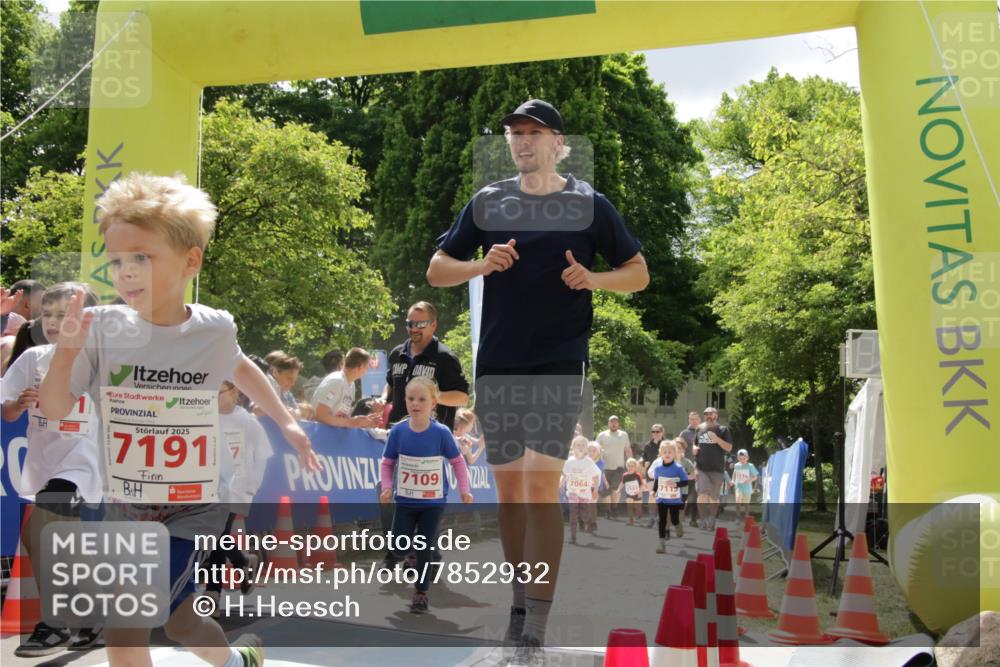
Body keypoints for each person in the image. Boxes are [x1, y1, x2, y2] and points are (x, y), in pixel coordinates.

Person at [38, 172, 320, 667]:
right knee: (180, 619)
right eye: (117, 262)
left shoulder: (213, 327)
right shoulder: (102, 328)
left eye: (141, 258)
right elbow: (57, 409)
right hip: (123, 507)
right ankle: (238, 661)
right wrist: (64, 354)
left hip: (193, 505)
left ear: (191, 260)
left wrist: (286, 421)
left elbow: (241, 367)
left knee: (126, 625)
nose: (125, 273)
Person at [427, 98, 648, 663]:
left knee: (539, 484)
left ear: (557, 142)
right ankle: (519, 606)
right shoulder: (489, 200)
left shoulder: (588, 203)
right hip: (499, 360)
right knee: (510, 491)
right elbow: (437, 269)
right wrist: (481, 264)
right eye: (514, 134)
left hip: (558, 358)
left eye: (533, 133)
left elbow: (638, 274)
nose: (522, 142)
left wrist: (592, 278)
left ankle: (535, 626)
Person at [2, 282, 103, 655]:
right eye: (49, 314)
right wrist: (18, 403)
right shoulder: (33, 359)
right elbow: (8, 408)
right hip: (45, 461)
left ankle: (55, 624)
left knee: (46, 528)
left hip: (84, 462)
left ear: (87, 319)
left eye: (66, 314)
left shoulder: (100, 358)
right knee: (43, 541)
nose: (55, 322)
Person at [379, 376, 473, 613]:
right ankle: (407, 553)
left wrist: (465, 489)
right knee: (398, 546)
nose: (415, 403)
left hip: (433, 502)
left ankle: (421, 593)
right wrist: (387, 487)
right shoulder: (398, 431)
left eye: (422, 399)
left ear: (433, 403)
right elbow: (387, 463)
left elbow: (458, 462)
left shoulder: (441, 433)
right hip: (405, 500)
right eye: (410, 398)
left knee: (425, 546)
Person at [202, 380, 273, 613]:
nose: (214, 398)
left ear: (234, 391)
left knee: (217, 535)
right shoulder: (204, 416)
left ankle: (212, 594)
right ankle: (243, 561)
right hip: (208, 487)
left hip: (236, 489)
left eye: (218, 393)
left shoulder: (247, 423)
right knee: (214, 536)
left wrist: (251, 485)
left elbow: (262, 456)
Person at [383, 301, 469, 431]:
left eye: (420, 324)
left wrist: (433, 397)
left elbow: (462, 398)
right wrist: (383, 399)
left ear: (433, 325)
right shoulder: (397, 354)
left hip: (432, 437)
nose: (414, 329)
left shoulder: (445, 357)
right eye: (410, 324)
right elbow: (391, 383)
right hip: (397, 433)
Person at [312, 347, 382, 429]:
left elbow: (341, 417)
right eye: (367, 367)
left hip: (333, 434)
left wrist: (363, 421)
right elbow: (320, 415)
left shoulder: (351, 384)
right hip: (320, 434)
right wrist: (351, 422)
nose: (367, 371)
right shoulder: (336, 381)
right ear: (360, 366)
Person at [695, 406, 734, 531]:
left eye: (711, 414)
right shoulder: (699, 429)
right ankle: (702, 520)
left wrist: (716, 439)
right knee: (702, 494)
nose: (708, 416)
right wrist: (694, 449)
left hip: (717, 469)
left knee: (714, 498)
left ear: (716, 415)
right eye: (706, 414)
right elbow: (694, 444)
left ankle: (712, 518)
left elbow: (728, 448)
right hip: (701, 468)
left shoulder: (723, 430)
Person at [560, 436, 600, 544]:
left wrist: (595, 491)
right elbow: (565, 475)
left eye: (583, 445)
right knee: (573, 514)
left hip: (584, 493)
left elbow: (596, 476)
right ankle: (573, 536)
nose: (581, 447)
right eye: (578, 445)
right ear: (573, 447)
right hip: (572, 491)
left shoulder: (589, 462)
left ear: (586, 448)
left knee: (583, 515)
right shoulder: (569, 462)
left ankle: (590, 523)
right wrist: (560, 485)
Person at [652, 441, 689, 553]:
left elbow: (685, 482)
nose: (667, 454)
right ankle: (661, 543)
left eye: (670, 452)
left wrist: (676, 484)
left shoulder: (678, 468)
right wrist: (653, 491)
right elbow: (657, 481)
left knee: (673, 519)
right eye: (665, 452)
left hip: (674, 499)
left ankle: (677, 525)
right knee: (661, 520)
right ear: (661, 454)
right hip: (662, 498)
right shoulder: (658, 468)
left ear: (674, 453)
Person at [596, 415, 630, 518]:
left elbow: (627, 449)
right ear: (608, 423)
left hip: (618, 467)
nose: (614, 423)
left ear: (618, 424)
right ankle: (608, 510)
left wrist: (631, 461)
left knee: (615, 489)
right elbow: (596, 449)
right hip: (605, 467)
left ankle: (614, 508)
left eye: (616, 422)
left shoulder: (623, 435)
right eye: (612, 422)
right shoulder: (602, 435)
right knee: (606, 492)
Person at [261, 350, 304, 418]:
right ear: (274, 372)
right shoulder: (261, 387)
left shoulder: (286, 393)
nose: (292, 384)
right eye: (289, 378)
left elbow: (298, 412)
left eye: (294, 380)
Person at [679, 411, 701, 527]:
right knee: (684, 494)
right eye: (692, 419)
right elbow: (678, 448)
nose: (694, 421)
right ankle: (680, 518)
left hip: (701, 468)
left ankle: (693, 519)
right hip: (686, 468)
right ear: (689, 420)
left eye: (696, 419)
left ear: (699, 420)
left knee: (696, 494)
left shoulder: (704, 433)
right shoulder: (684, 434)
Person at [642, 423, 666, 527]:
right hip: (651, 474)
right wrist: (645, 462)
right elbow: (645, 457)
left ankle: (661, 518)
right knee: (652, 495)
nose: (655, 434)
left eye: (657, 431)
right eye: (653, 432)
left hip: (665, 475)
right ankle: (651, 518)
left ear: (662, 432)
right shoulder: (648, 445)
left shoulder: (666, 444)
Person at [674, 437, 697, 532]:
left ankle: (679, 523)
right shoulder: (668, 460)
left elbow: (694, 475)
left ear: (684, 449)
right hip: (670, 490)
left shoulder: (686, 462)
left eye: (680, 448)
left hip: (683, 489)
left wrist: (685, 477)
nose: (678, 450)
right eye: (676, 447)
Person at [618, 458, 644, 525]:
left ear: (635, 467)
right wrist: (618, 489)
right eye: (629, 466)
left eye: (632, 466)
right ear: (626, 466)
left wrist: (640, 491)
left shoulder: (638, 475)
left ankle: (639, 512)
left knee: (637, 506)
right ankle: (630, 519)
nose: (631, 467)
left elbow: (642, 485)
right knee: (629, 505)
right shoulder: (625, 475)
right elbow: (622, 483)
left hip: (637, 493)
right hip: (629, 493)